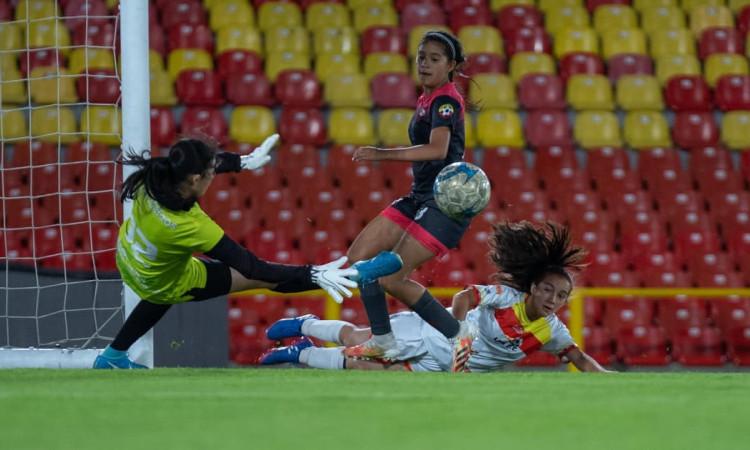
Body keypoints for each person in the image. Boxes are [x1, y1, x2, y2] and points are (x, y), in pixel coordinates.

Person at [94, 136, 400, 369]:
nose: (214, 176)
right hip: (162, 280)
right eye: (211, 174)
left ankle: (112, 355)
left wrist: (242, 162)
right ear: (195, 180)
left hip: (130, 259)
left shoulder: (156, 179)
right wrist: (313, 273)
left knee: (162, 287)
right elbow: (252, 267)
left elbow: (203, 164)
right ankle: (353, 274)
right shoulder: (191, 226)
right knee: (257, 279)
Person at [259, 221, 613, 373]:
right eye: (548, 289)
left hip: (441, 367)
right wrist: (462, 336)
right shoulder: (507, 297)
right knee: (359, 338)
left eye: (561, 295)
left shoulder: (552, 332)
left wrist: (608, 379)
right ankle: (305, 324)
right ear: (534, 287)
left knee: (367, 368)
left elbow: (579, 359)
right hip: (431, 332)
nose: (553, 298)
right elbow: (464, 297)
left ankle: (300, 352)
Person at [343, 30, 475, 367]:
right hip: (419, 197)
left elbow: (437, 149)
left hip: (444, 204)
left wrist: (380, 154)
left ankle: (457, 333)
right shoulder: (426, 98)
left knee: (389, 277)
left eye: (434, 59)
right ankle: (383, 340)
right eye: (421, 57)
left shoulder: (445, 101)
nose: (425, 64)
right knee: (359, 258)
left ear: (451, 66)